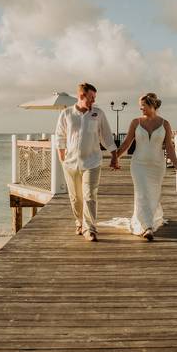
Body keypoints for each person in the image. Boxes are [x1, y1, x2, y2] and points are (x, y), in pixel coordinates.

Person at [110, 92, 177, 241]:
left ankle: (149, 220)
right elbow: (126, 143)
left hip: (157, 166)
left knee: (153, 194)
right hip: (138, 165)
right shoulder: (135, 122)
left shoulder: (165, 124)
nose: (141, 109)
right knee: (142, 193)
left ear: (152, 106)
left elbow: (169, 147)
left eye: (143, 106)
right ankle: (147, 227)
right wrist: (115, 158)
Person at [55, 82, 116, 242]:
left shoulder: (98, 114)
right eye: (91, 98)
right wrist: (62, 157)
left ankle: (90, 229)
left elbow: (106, 136)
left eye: (94, 98)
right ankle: (80, 222)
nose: (93, 101)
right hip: (70, 163)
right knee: (76, 198)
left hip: (92, 162)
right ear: (82, 96)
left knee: (89, 195)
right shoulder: (66, 114)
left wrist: (114, 155)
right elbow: (60, 136)